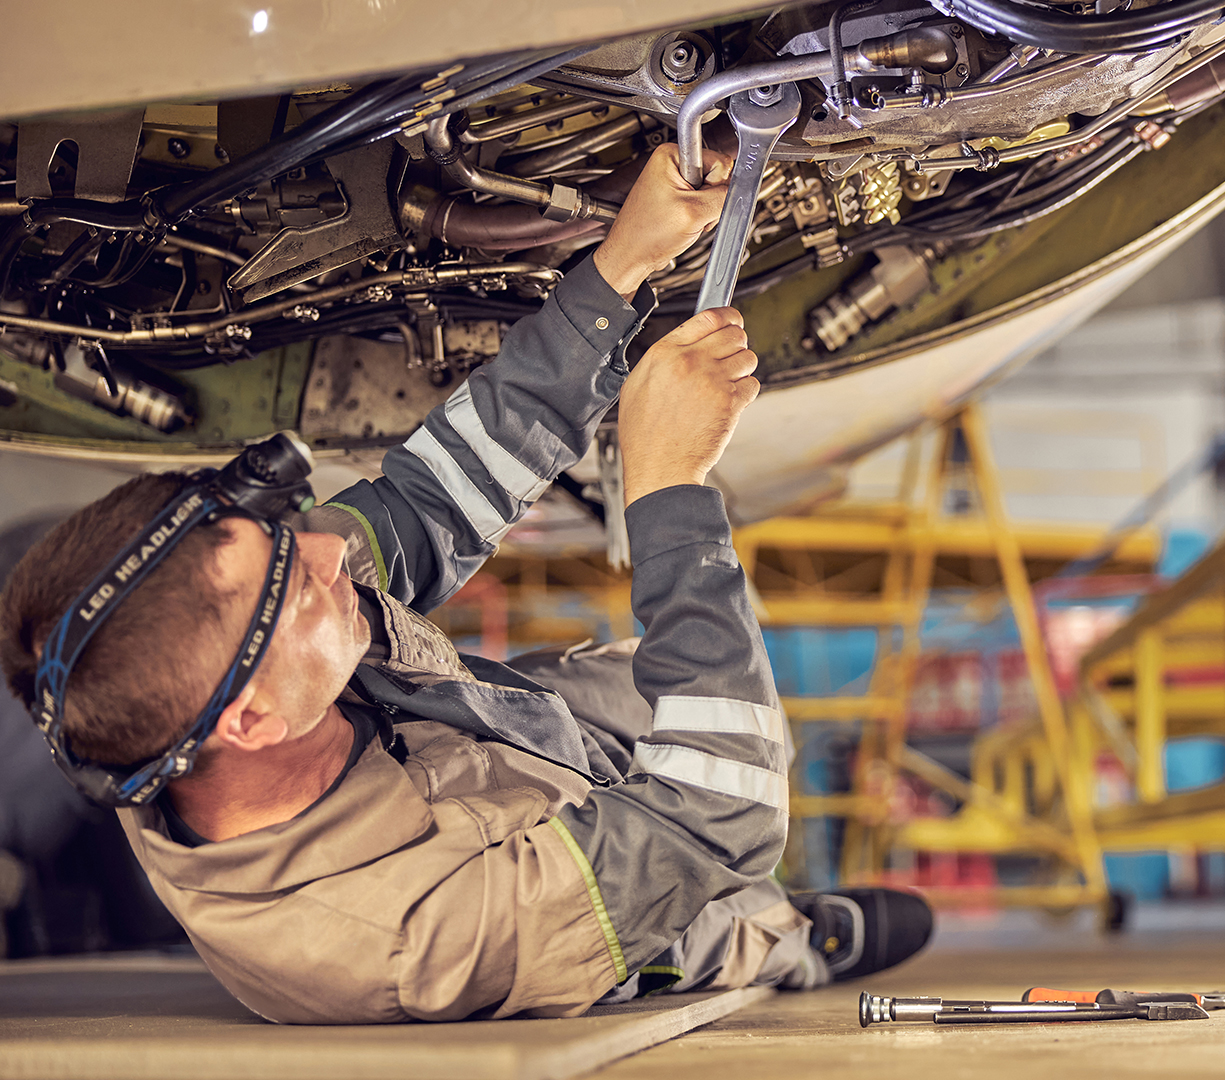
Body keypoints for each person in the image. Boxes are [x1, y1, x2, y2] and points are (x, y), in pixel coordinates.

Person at [0, 141, 930, 1023]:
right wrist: (667, 489)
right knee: (716, 913)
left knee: (636, 695)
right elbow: (720, 814)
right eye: (301, 591)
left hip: (524, 748)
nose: (330, 556)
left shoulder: (226, 662)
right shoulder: (414, 936)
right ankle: (803, 936)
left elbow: (432, 497)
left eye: (287, 541)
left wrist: (615, 273)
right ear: (249, 723)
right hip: (606, 906)